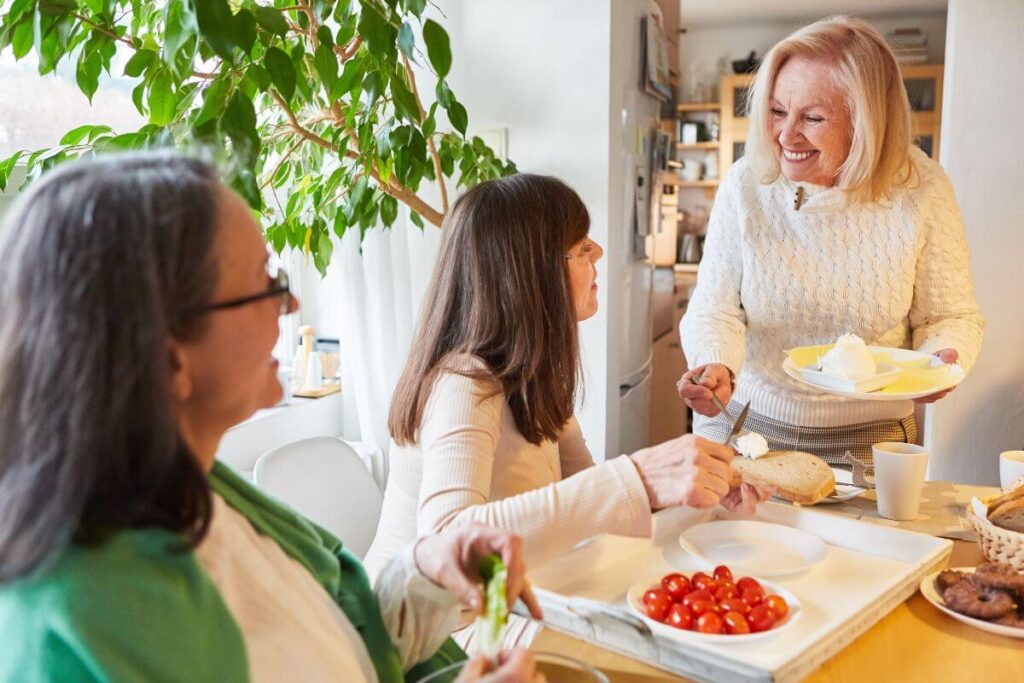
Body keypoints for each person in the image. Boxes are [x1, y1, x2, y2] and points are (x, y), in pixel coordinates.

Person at [0, 152, 544, 683]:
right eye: (265, 282)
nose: (291, 306)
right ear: (168, 355)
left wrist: (427, 573)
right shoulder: (84, 619)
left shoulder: (200, 488)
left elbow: (337, 643)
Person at [364, 173, 768, 642]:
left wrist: (692, 494)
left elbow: (590, 509)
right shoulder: (464, 381)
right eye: (579, 249)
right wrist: (637, 477)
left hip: (496, 613)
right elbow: (449, 544)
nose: (596, 252)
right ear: (530, 275)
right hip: (425, 643)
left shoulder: (532, 372)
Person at [677, 15, 984, 467]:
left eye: (813, 118)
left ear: (867, 124)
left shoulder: (921, 187)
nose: (785, 135)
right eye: (778, 111)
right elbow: (714, 307)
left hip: (871, 439)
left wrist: (939, 358)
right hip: (743, 423)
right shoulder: (747, 184)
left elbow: (950, 316)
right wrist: (716, 366)